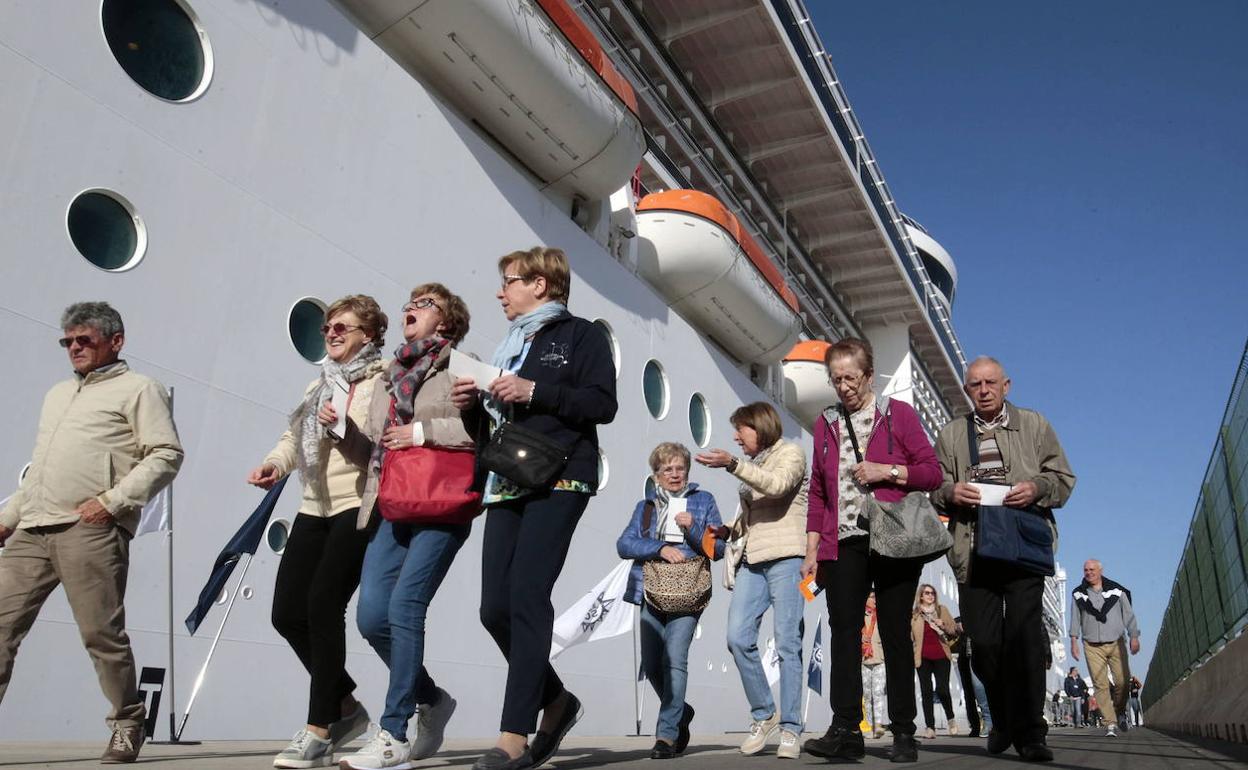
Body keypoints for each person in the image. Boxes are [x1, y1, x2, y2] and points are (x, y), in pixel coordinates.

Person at [451, 247, 617, 770]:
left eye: (510, 282)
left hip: (562, 475)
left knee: (527, 594)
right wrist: (475, 406)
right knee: (493, 608)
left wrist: (533, 389)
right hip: (508, 478)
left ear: (541, 285)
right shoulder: (508, 347)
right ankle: (557, 702)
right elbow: (497, 427)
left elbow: (602, 404)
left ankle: (513, 735)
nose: (501, 292)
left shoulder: (580, 335)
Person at [0, 301, 183, 764]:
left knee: (101, 635)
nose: (74, 348)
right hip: (33, 528)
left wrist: (110, 503)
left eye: (84, 340)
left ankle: (128, 720)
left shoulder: (140, 389)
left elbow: (165, 455)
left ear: (114, 341)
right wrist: (9, 517)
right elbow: (40, 469)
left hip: (90, 528)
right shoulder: (58, 394)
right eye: (68, 341)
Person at [338, 285, 479, 769]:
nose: (410, 311)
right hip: (393, 504)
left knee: (405, 606)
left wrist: (421, 431)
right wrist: (344, 435)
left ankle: (393, 731)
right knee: (371, 618)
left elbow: (483, 432)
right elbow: (379, 451)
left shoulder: (464, 366)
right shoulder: (388, 374)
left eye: (424, 305)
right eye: (409, 305)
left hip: (442, 505)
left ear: (447, 320)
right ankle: (432, 699)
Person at [247, 295, 389, 768]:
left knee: (324, 605)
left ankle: (319, 729)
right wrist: (274, 463)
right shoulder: (319, 383)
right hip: (314, 504)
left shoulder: (382, 380)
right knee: (286, 613)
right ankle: (347, 705)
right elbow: (294, 436)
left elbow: (379, 447)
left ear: (367, 335)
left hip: (357, 503)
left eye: (342, 327)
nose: (330, 333)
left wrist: (343, 424)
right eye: (328, 327)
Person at [800, 337, 942, 764]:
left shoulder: (897, 415)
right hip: (843, 540)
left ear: (867, 374)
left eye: (850, 377)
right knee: (844, 631)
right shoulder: (826, 422)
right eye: (835, 378)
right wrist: (811, 550)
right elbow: (818, 492)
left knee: (895, 632)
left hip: (894, 537)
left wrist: (887, 471)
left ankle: (903, 732)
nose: (842, 386)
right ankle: (846, 729)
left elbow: (931, 473)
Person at [932, 356, 1075, 763]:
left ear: (1007, 385)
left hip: (1024, 546)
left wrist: (1036, 487)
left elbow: (1064, 480)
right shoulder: (952, 434)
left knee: (1026, 639)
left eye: (990, 382)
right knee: (985, 643)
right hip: (973, 549)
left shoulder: (1034, 425)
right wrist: (949, 493)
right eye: (975, 384)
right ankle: (1004, 720)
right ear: (966, 390)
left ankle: (1031, 733)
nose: (983, 390)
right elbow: (935, 483)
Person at [695, 401, 808, 759]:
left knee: (788, 644)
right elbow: (754, 511)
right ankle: (765, 712)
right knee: (737, 637)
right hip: (753, 559)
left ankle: (791, 728)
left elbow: (776, 487)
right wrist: (730, 529)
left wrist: (732, 463)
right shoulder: (753, 463)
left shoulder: (791, 452)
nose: (735, 436)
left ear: (759, 427)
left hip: (788, 556)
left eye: (740, 429)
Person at [617, 442, 724, 760]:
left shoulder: (704, 501)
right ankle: (680, 711)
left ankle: (666, 735)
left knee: (674, 658)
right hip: (651, 590)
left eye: (680, 468)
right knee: (651, 665)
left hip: (689, 591)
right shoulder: (645, 507)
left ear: (687, 471)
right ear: (656, 475)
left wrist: (694, 530)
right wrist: (659, 548)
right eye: (668, 469)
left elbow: (716, 550)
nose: (675, 474)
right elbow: (624, 544)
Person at [1069, 559, 1141, 737]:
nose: (1089, 572)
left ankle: (1119, 711)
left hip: (1116, 642)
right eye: (1085, 570)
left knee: (1123, 682)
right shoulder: (1078, 594)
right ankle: (1110, 724)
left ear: (1100, 570)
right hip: (1091, 645)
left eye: (1092, 569)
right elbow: (1075, 618)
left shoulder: (1117, 591)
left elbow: (1129, 615)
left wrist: (1134, 637)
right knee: (1100, 685)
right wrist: (1073, 641)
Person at [911, 584, 959, 739]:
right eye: (927, 593)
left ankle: (951, 719)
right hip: (922, 657)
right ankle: (930, 727)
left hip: (941, 655)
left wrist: (943, 625)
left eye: (932, 593)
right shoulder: (915, 614)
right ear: (921, 596)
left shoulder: (941, 610)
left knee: (942, 689)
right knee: (926, 691)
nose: (930, 595)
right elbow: (911, 636)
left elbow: (954, 630)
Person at [953, 617, 991, 737]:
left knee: (979, 686)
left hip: (982, 651)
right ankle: (975, 725)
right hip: (965, 654)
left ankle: (989, 720)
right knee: (969, 693)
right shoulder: (963, 615)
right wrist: (956, 626)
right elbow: (954, 624)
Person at [861, 593, 888, 739]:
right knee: (867, 695)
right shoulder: (859, 616)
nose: (875, 599)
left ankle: (878, 724)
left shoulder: (882, 616)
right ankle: (869, 725)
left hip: (879, 658)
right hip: (864, 659)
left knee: (878, 692)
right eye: (872, 596)